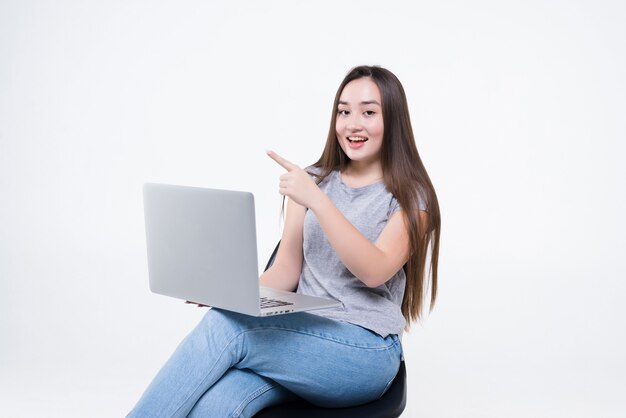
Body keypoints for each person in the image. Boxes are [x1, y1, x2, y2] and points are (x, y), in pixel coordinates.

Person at [127, 65, 441, 417]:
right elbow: (287, 271)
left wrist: (318, 201)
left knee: (228, 328)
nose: (353, 124)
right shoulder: (312, 180)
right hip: (298, 341)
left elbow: (375, 270)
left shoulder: (412, 198)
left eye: (369, 112)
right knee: (219, 400)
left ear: (393, 121)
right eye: (343, 111)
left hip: (364, 350)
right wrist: (229, 293)